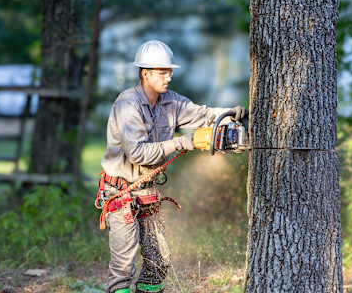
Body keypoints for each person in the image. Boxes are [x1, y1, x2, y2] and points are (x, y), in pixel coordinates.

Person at [99, 40, 246, 293]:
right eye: (162, 72)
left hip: (148, 192)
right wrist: (183, 142)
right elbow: (137, 153)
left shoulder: (171, 102)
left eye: (170, 71)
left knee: (158, 262)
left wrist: (232, 112)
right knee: (123, 269)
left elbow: (203, 114)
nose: (169, 77)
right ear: (145, 73)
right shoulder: (127, 105)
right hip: (122, 193)